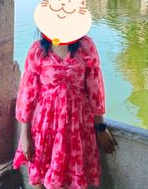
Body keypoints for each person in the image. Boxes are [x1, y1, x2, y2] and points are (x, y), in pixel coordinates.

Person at [13, 31, 118, 189]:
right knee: (39, 179)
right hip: (45, 125)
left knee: (74, 181)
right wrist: (25, 137)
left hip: (77, 125)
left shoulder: (85, 47)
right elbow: (27, 95)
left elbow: (95, 90)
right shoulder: (38, 50)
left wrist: (101, 127)